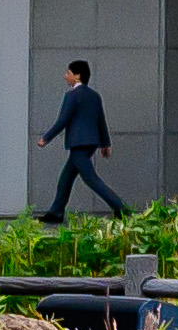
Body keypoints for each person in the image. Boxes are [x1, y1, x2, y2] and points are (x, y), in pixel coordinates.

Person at [38, 59, 124, 223]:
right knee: (66, 178)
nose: (65, 76)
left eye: (68, 73)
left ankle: (121, 208)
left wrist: (46, 138)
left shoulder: (72, 96)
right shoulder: (94, 96)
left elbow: (63, 120)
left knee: (91, 179)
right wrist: (106, 144)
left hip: (78, 143)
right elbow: (101, 121)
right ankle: (56, 211)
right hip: (91, 142)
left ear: (77, 76)